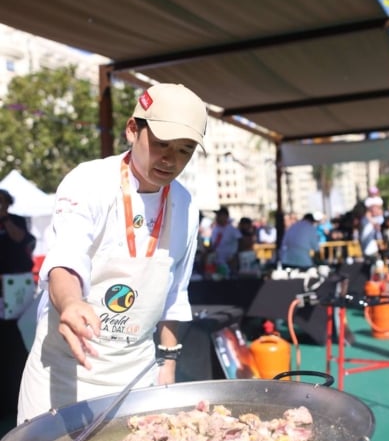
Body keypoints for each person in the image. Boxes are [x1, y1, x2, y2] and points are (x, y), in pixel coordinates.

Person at [17, 83, 207, 423]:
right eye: (161, 144)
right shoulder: (89, 181)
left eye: (184, 150)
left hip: (135, 376)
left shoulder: (186, 204)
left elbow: (176, 292)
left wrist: (168, 362)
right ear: (133, 129)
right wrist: (72, 303)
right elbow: (66, 259)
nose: (170, 159)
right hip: (64, 374)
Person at [0, 189, 36, 418]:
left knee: (15, 348)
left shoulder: (16, 221)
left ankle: (15, 397)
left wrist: (4, 218)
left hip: (16, 296)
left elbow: (21, 239)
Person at [208, 206, 241, 274]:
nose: (217, 217)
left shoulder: (232, 229)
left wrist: (235, 256)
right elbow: (213, 244)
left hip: (229, 262)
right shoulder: (215, 229)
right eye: (217, 215)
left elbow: (241, 242)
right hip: (217, 262)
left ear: (225, 216)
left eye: (219, 215)